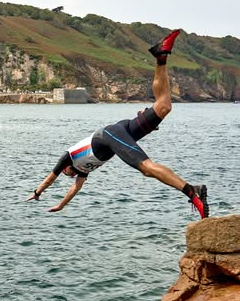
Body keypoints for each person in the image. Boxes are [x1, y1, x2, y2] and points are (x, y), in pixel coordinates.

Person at [26, 29, 209, 217]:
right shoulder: (82, 171)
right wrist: (61, 205)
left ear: (66, 168)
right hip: (122, 131)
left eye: (67, 174)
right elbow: (75, 189)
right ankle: (161, 55)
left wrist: (37, 192)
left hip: (109, 136)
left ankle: (192, 192)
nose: (69, 175)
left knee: (146, 168)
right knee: (164, 107)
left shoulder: (69, 158)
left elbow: (50, 178)